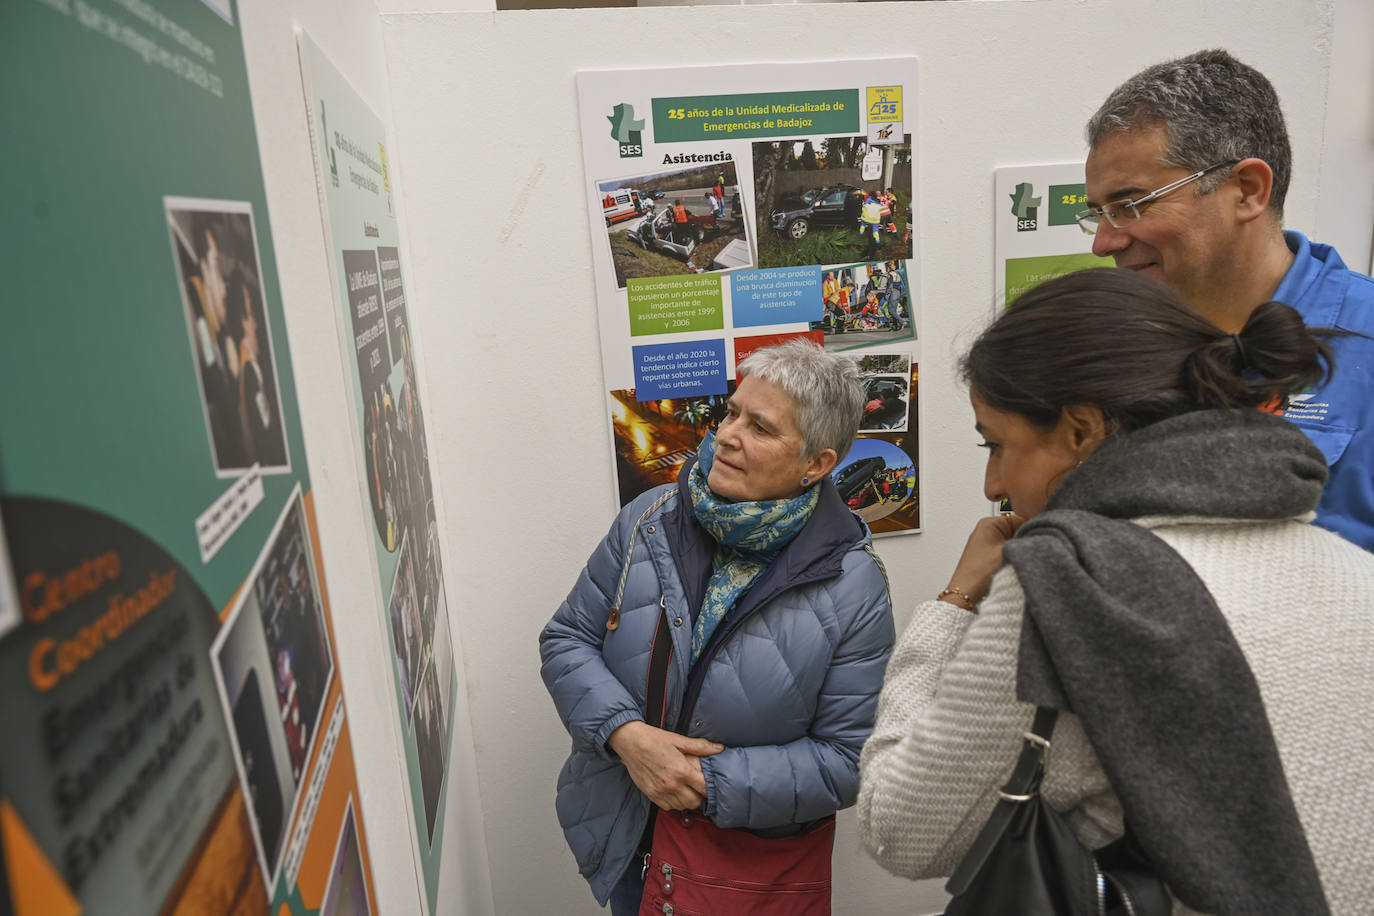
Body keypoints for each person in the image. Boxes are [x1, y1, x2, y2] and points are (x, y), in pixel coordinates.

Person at [858, 269, 1374, 914]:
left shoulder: (1069, 582)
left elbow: (896, 829)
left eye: (997, 445)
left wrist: (955, 601)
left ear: (1081, 430)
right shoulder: (1357, 574)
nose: (993, 484)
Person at [542, 339, 895, 914]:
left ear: (816, 463)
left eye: (761, 427)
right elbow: (567, 638)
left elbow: (847, 758)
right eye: (731, 412)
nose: (727, 434)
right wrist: (626, 736)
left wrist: (702, 779)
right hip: (629, 835)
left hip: (744, 875)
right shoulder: (649, 520)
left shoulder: (854, 584)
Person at [1079, 48, 1374, 549]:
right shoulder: (1122, 342)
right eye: (1099, 212)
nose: (1103, 243)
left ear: (1247, 190)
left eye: (1130, 205)